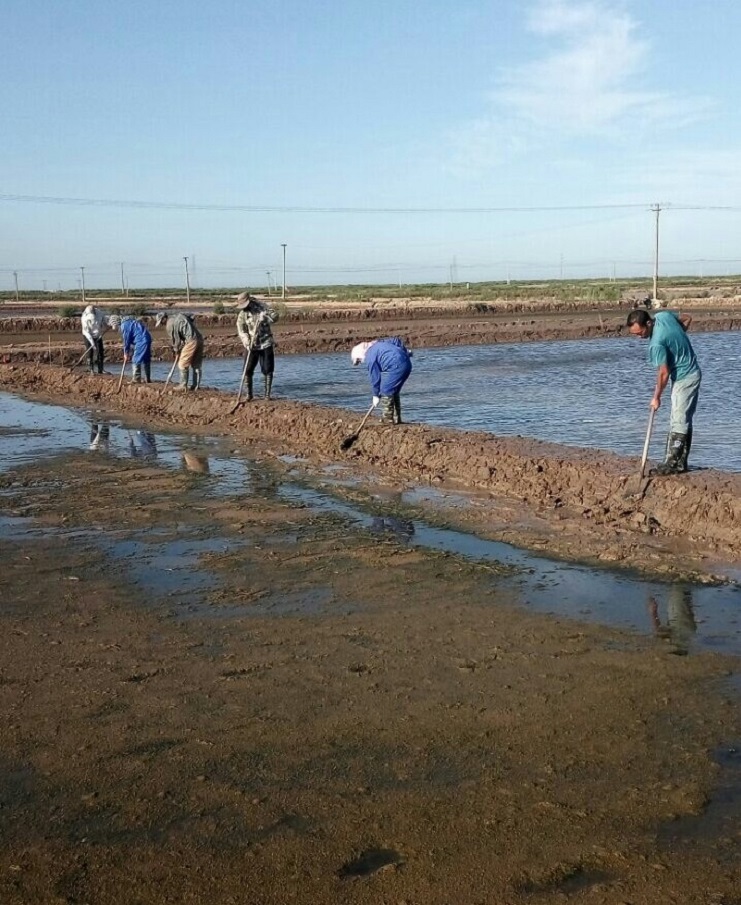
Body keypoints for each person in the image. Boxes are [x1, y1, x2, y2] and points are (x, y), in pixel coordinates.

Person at [626, 308, 701, 475]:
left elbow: (663, 373)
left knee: (678, 419)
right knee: (683, 418)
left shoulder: (656, 344)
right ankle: (680, 463)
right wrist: (678, 338)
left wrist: (656, 397)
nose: (639, 337)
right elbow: (687, 318)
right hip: (693, 371)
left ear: (648, 323)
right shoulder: (663, 316)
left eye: (640, 333)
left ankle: (673, 464)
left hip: (684, 377)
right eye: (635, 334)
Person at [351, 337, 412, 424]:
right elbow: (395, 340)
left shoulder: (370, 357)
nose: (361, 362)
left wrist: (375, 395)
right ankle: (396, 418)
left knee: (386, 390)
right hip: (407, 363)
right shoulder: (378, 344)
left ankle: (387, 419)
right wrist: (404, 351)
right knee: (394, 391)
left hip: (397, 366)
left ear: (360, 353)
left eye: (359, 360)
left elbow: (375, 378)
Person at [235, 292, 279, 400]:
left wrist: (266, 318)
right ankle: (249, 395)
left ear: (249, 301)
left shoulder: (262, 307)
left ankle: (267, 395)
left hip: (266, 342)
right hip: (252, 345)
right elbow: (241, 329)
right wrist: (246, 340)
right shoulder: (242, 314)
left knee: (268, 369)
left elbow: (276, 316)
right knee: (247, 369)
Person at [155, 312, 204, 391]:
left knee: (182, 364)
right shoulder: (177, 315)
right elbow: (191, 317)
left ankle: (183, 385)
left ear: (164, 318)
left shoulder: (169, 324)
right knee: (196, 365)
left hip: (191, 340)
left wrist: (176, 351)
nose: (161, 324)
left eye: (161, 322)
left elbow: (176, 341)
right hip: (199, 338)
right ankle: (196, 386)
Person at [108, 315, 152, 383]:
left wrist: (126, 353)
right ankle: (147, 379)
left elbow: (126, 341)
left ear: (115, 323)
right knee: (146, 359)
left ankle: (136, 379)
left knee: (135, 359)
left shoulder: (124, 325)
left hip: (141, 341)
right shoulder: (129, 321)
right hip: (147, 338)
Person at [81, 304, 108, 374]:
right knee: (90, 352)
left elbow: (104, 321)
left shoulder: (99, 313)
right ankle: (91, 369)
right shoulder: (84, 318)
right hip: (88, 335)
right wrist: (92, 344)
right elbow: (87, 333)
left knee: (100, 351)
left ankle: (100, 369)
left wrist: (107, 325)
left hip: (98, 335)